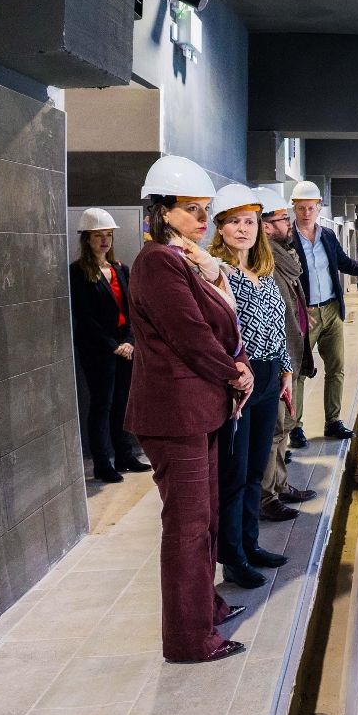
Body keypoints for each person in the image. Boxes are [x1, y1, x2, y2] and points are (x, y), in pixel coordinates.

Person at [125, 155, 252, 664]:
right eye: (192, 210)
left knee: (205, 521)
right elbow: (190, 335)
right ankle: (188, 639)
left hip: (203, 409)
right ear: (161, 211)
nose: (203, 219)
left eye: (205, 210)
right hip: (176, 413)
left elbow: (220, 325)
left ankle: (206, 606)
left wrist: (236, 361)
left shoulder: (190, 261)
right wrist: (233, 371)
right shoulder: (157, 261)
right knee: (186, 525)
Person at [206, 184, 293, 589]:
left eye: (250, 222)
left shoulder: (263, 274)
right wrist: (234, 374)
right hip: (240, 380)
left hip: (270, 374)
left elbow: (279, 326)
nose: (244, 229)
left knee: (256, 469)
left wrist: (286, 369)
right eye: (235, 222)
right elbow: (215, 333)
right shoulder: (215, 273)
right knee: (236, 475)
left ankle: (251, 544)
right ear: (220, 228)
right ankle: (234, 558)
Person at [287, 180, 358, 445]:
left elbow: (345, 263)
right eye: (300, 208)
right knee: (299, 371)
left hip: (332, 309)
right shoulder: (287, 240)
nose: (306, 213)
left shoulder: (327, 235)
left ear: (319, 207)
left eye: (310, 207)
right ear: (294, 208)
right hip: (306, 315)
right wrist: (298, 310)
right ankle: (295, 427)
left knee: (336, 368)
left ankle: (333, 421)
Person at [68, 208, 149, 483]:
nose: (104, 241)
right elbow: (85, 316)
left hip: (124, 347)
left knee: (123, 403)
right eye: (98, 236)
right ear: (87, 239)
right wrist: (112, 345)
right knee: (102, 405)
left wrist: (128, 341)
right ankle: (103, 463)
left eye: (108, 236)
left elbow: (131, 308)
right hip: (98, 350)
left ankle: (125, 455)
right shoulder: (78, 272)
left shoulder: (120, 269)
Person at [256, 185, 316, 522]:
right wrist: (284, 366)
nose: (289, 224)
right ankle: (268, 498)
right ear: (267, 226)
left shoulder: (283, 259)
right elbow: (276, 320)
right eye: (283, 219)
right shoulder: (269, 267)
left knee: (284, 427)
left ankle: (279, 485)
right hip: (280, 361)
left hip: (291, 356)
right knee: (276, 430)